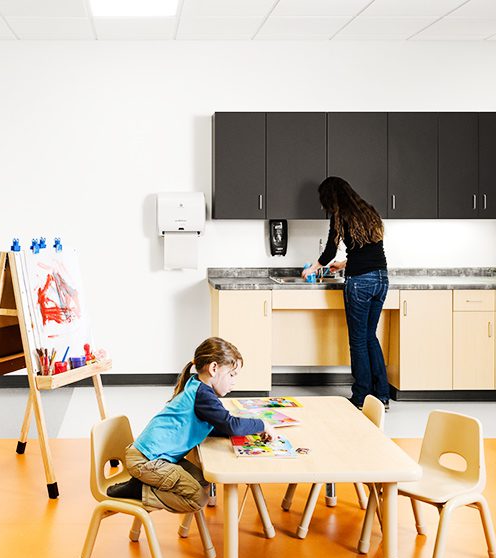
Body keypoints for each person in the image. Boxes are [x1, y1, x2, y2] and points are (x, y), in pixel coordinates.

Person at [106, 337, 274, 513]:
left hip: (155, 456)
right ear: (214, 368)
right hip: (146, 460)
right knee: (198, 499)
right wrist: (262, 424)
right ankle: (140, 490)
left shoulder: (196, 385)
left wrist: (245, 430)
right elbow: (230, 424)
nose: (234, 381)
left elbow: (220, 425)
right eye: (232, 375)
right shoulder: (203, 395)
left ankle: (140, 485)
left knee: (204, 482)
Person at [302, 176, 389, 409]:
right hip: (381, 279)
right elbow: (368, 252)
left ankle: (361, 397)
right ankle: (381, 395)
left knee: (359, 341)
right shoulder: (368, 211)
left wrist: (313, 267)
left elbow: (330, 249)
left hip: (360, 283)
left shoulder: (341, 216)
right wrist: (343, 265)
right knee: (370, 337)